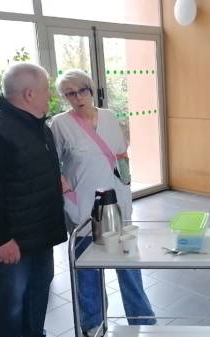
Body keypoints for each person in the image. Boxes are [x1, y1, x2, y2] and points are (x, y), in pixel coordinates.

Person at [49, 70, 155, 337]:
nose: (77, 97)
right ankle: (93, 323)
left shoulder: (108, 116)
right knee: (87, 269)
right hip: (83, 203)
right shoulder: (60, 124)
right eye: (69, 93)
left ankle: (142, 317)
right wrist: (62, 182)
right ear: (64, 97)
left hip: (116, 200)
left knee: (128, 265)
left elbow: (120, 155)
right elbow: (52, 162)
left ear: (91, 89)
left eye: (82, 90)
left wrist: (126, 182)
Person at [0, 62, 67, 337]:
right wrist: (0, 239)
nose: (51, 96)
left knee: (37, 296)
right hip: (11, 242)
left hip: (39, 233)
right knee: (12, 306)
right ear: (29, 94)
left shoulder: (37, 125)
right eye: (47, 90)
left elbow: (25, 170)